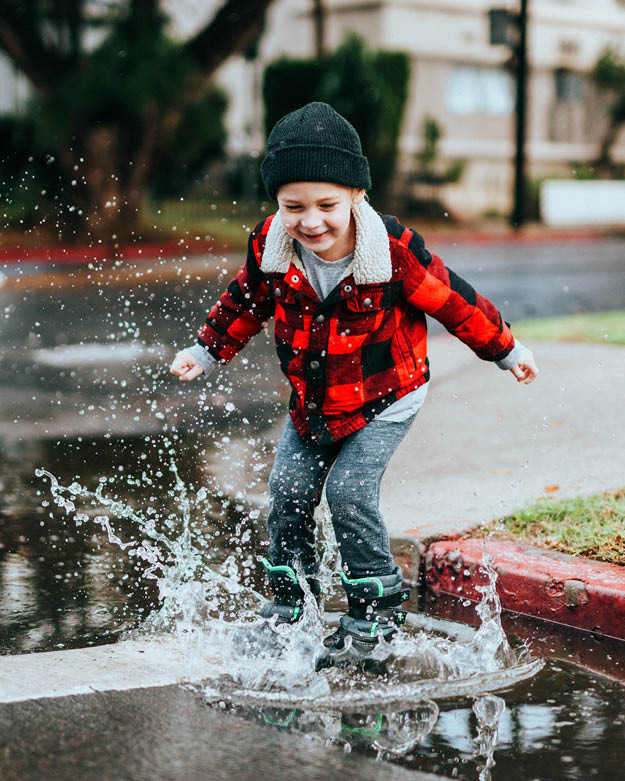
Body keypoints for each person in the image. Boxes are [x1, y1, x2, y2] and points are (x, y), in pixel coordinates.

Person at [170, 102, 538, 662]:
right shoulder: (271, 244)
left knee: (348, 491)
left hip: (388, 397)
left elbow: (454, 301)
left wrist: (505, 350)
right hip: (313, 405)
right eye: (294, 206)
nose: (310, 220)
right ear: (276, 202)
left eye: (327, 205)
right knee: (288, 491)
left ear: (357, 197)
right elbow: (246, 300)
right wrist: (207, 349)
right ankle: (290, 606)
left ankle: (374, 612)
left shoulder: (391, 250)